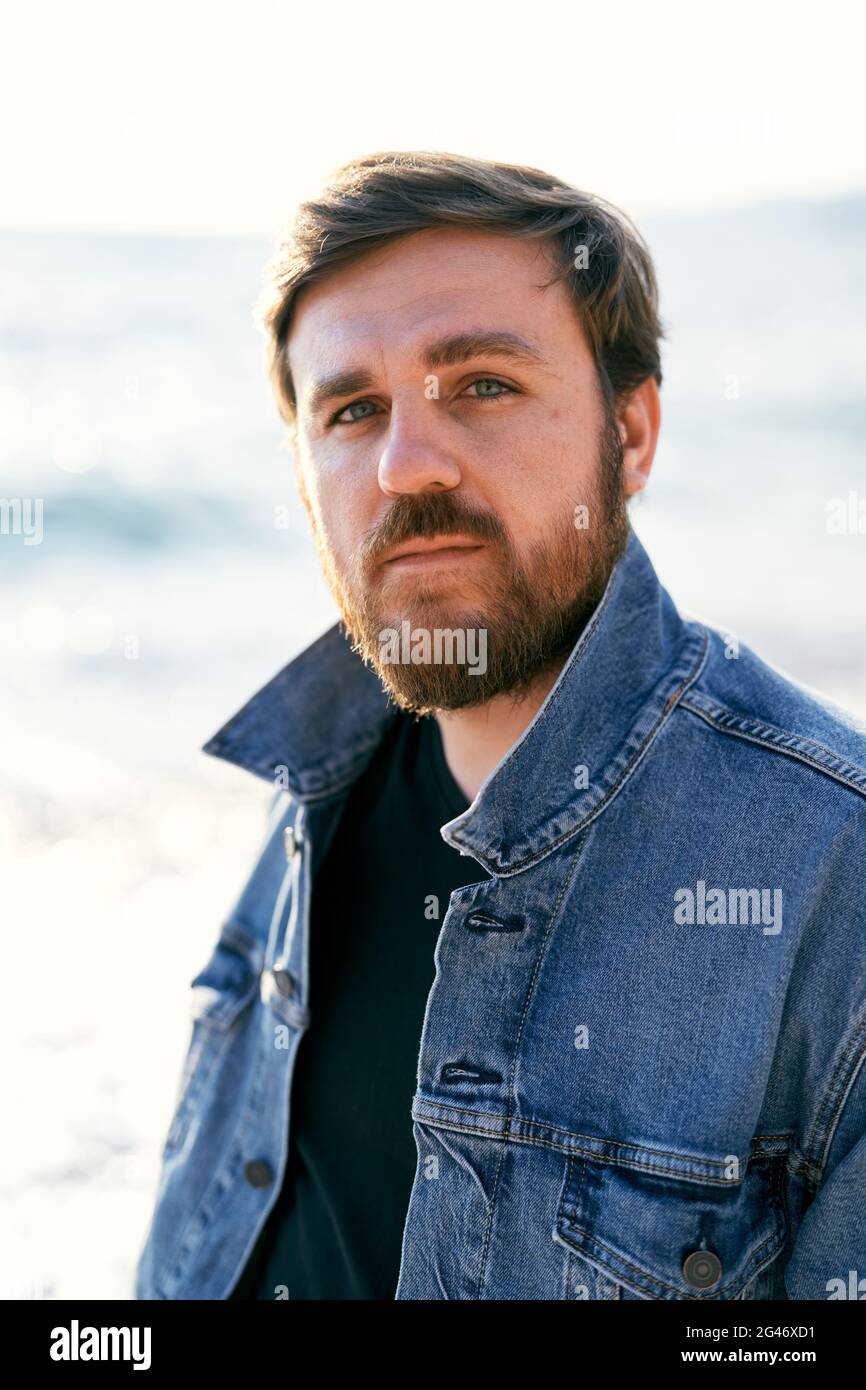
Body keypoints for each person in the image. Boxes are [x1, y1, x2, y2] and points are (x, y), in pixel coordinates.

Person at [134, 151, 866, 1301]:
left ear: (628, 435)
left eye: (478, 383)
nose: (404, 464)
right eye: (351, 409)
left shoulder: (835, 872)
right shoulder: (310, 780)